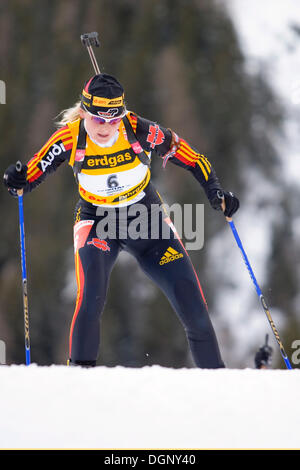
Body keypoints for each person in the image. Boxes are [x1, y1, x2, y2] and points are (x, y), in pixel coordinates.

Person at [3, 73, 239, 368]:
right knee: (90, 298)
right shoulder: (69, 137)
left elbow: (193, 159)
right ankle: (76, 383)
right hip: (97, 222)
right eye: (98, 119)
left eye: (113, 120)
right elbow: (30, 175)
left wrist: (216, 193)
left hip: (147, 222)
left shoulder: (140, 130)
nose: (105, 127)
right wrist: (17, 181)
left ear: (122, 114)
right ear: (84, 112)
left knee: (195, 310)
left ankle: (218, 387)